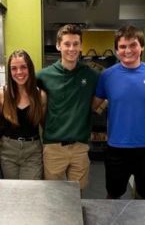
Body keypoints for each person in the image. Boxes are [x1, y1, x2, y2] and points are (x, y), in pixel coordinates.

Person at [93, 25, 145, 199]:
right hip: (117, 147)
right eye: (123, 46)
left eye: (133, 45)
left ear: (142, 46)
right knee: (113, 195)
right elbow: (93, 106)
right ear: (117, 50)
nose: (128, 50)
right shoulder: (107, 76)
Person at [37, 24, 99, 190]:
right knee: (54, 196)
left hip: (80, 146)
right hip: (53, 147)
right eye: (67, 44)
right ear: (58, 45)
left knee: (77, 195)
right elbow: (20, 86)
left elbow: (116, 79)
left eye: (76, 44)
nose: (71, 48)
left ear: (81, 46)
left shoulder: (91, 75)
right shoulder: (43, 76)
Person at [0, 50, 46, 179]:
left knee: (30, 193)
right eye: (14, 68)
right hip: (8, 150)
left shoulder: (40, 96)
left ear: (30, 68)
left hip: (33, 151)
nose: (19, 72)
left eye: (23, 67)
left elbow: (45, 124)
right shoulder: (1, 94)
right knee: (12, 193)